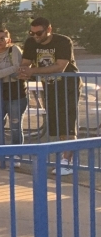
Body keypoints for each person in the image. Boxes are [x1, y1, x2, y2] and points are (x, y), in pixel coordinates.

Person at [19, 17, 79, 174]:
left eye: (39, 32)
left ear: (49, 30)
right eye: (32, 33)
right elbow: (25, 64)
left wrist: (33, 71)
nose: (35, 36)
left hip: (68, 85)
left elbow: (60, 66)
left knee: (67, 121)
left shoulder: (63, 41)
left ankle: (68, 160)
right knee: (56, 123)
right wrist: (23, 71)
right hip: (49, 86)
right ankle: (65, 157)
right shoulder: (31, 42)